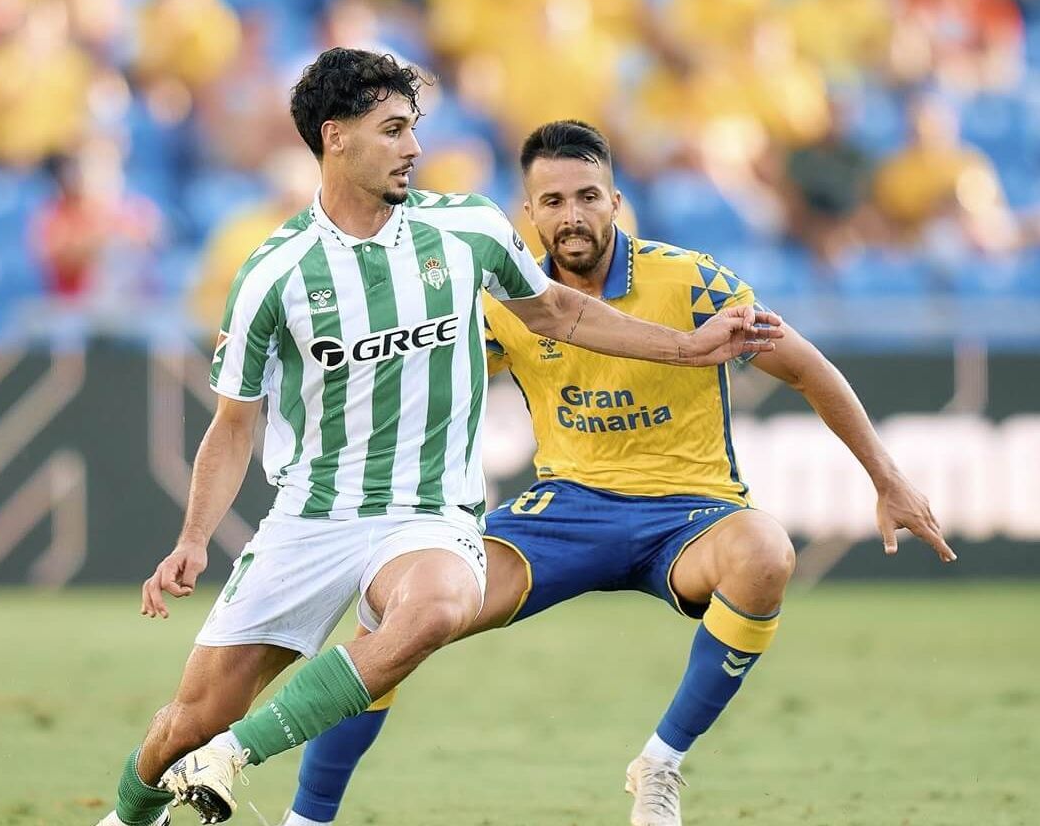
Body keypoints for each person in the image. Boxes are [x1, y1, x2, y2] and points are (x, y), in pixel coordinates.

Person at [91, 50, 781, 826]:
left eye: (413, 128)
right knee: (190, 720)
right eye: (392, 130)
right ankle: (132, 813)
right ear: (336, 137)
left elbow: (558, 312)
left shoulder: (467, 229)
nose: (414, 147)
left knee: (438, 605)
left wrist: (686, 347)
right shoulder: (272, 273)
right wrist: (193, 539)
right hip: (313, 517)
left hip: (430, 512)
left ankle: (236, 756)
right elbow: (232, 425)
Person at [286, 119, 954, 826]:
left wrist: (888, 479)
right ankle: (307, 818)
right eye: (553, 202)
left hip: (690, 511)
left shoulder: (691, 281)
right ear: (529, 213)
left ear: (615, 202)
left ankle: (661, 763)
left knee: (765, 551)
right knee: (400, 616)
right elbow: (422, 392)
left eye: (587, 196)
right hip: (565, 511)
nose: (571, 216)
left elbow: (808, 368)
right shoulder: (506, 302)